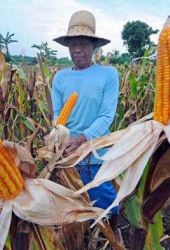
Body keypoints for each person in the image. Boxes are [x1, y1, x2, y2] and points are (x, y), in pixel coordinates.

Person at [52, 10, 122, 244]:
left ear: (93, 47)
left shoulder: (108, 74)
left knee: (107, 205)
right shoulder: (60, 78)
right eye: (72, 44)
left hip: (97, 154)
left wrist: (82, 138)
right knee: (72, 210)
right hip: (68, 156)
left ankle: (110, 240)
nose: (77, 49)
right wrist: (59, 139)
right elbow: (57, 115)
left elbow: (106, 115)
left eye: (83, 43)